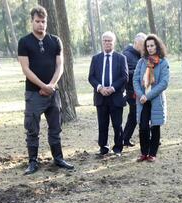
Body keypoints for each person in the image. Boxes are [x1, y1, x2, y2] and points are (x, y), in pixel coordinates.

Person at [17, 6, 74, 175]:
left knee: (55, 127)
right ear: (31, 21)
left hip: (53, 93)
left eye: (43, 21)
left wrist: (51, 85)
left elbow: (60, 66)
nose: (41, 25)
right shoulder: (24, 42)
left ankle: (58, 158)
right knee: (32, 129)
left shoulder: (55, 41)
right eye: (37, 21)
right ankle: (33, 162)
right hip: (34, 94)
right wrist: (42, 86)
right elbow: (25, 69)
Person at [88, 31, 128, 157]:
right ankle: (103, 147)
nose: (107, 43)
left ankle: (118, 148)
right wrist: (100, 88)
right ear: (102, 42)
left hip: (116, 97)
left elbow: (124, 77)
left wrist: (112, 88)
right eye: (105, 40)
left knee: (117, 124)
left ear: (113, 42)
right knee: (102, 124)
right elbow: (91, 77)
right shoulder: (96, 58)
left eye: (110, 40)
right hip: (100, 97)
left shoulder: (121, 58)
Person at [133, 34, 170, 162]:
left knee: (155, 126)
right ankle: (144, 152)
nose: (149, 48)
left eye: (152, 45)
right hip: (142, 100)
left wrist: (148, 96)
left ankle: (152, 153)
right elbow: (135, 79)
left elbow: (164, 83)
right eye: (147, 46)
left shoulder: (163, 62)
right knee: (143, 126)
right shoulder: (141, 61)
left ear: (157, 46)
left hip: (155, 99)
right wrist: (140, 94)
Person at [122, 33, 146, 148]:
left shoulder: (140, 55)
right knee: (136, 115)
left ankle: (125, 138)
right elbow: (128, 73)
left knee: (135, 116)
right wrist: (140, 73)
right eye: (142, 45)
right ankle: (125, 138)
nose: (144, 48)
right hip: (132, 92)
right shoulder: (127, 55)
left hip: (142, 91)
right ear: (136, 43)